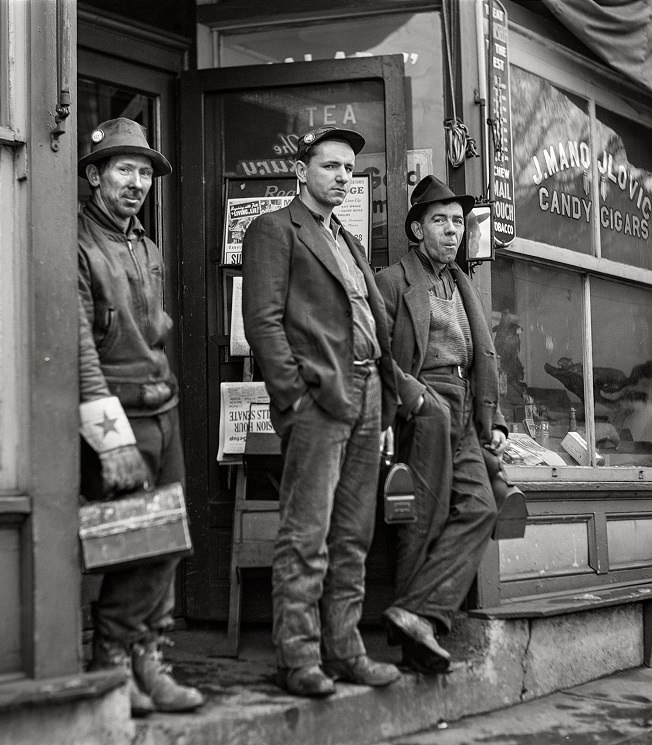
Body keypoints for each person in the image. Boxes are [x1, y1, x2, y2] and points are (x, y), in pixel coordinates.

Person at [242, 125, 402, 698]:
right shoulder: (272, 230)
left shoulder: (348, 240)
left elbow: (371, 322)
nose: (342, 176)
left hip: (367, 396)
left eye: (348, 170)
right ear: (301, 172)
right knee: (306, 534)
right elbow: (261, 322)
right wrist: (293, 397)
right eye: (331, 166)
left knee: (353, 536)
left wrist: (384, 398)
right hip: (319, 399)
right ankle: (299, 657)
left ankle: (346, 650)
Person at [77, 117, 203, 715]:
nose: (136, 182)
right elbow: (78, 346)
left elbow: (153, 334)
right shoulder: (74, 240)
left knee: (169, 541)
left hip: (163, 406)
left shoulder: (146, 245)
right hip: (117, 415)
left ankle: (150, 660)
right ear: (94, 175)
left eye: (144, 171)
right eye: (123, 169)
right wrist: (109, 438)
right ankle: (112, 662)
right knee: (133, 543)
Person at [375, 175, 508, 674]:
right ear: (417, 228)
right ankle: (414, 642)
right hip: (423, 403)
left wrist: (491, 419)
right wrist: (413, 400)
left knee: (480, 505)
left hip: (463, 406)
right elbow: (377, 355)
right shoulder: (392, 281)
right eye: (440, 221)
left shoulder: (462, 283)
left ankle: (418, 613)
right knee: (421, 520)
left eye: (457, 222)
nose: (452, 231)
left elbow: (483, 356)